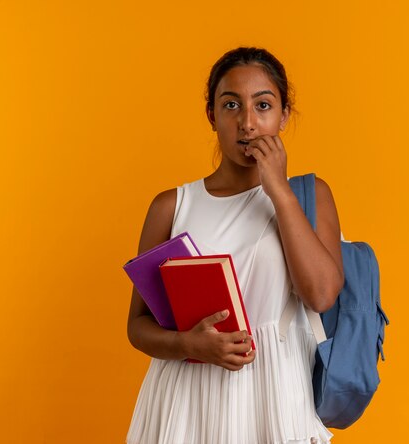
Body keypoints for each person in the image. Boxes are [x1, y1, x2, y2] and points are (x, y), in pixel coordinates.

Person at [126, 47, 344, 444]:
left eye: (263, 105)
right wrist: (186, 343)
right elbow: (137, 326)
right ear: (212, 115)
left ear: (283, 115)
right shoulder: (172, 206)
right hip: (185, 401)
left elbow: (322, 295)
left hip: (274, 398)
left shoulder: (310, 196)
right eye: (231, 105)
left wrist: (277, 188)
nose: (248, 123)